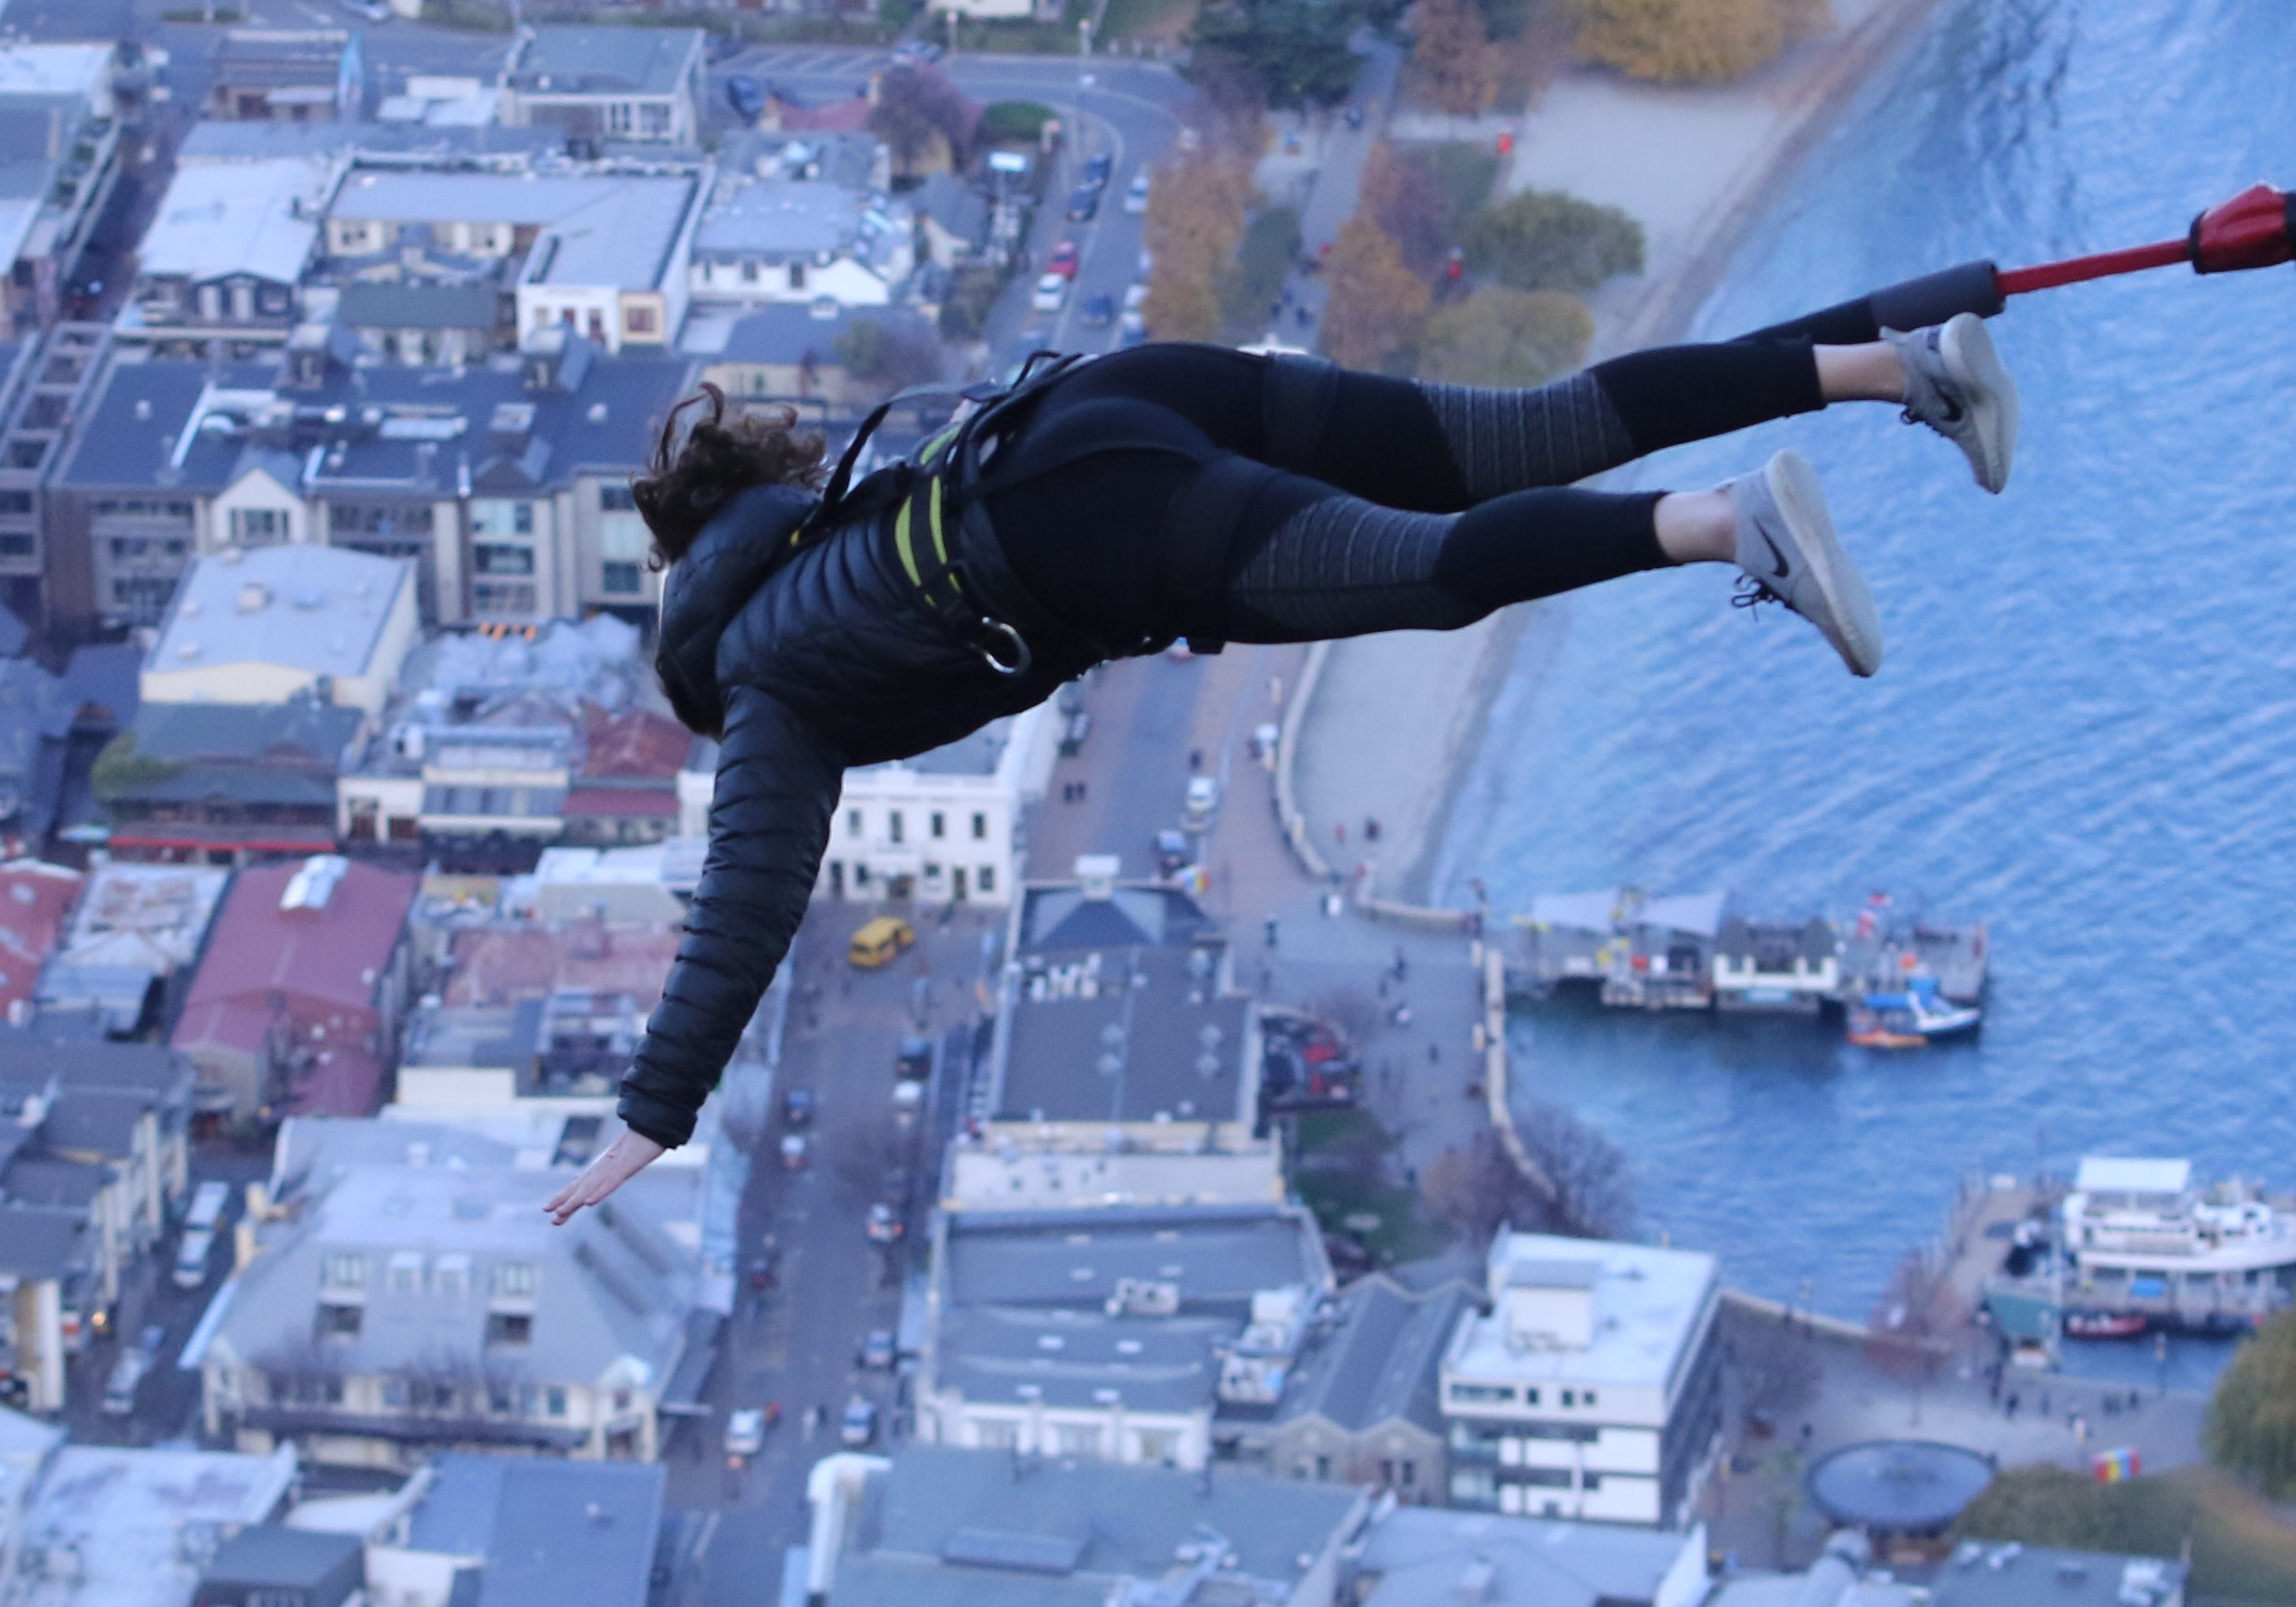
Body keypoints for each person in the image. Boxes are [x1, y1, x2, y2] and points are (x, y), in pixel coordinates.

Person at [542, 288, 2022, 1221]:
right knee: (1532, 432)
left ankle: (1719, 525)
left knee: (1434, 572)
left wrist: (652, 1117)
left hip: (1091, 531)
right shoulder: (821, 532)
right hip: (1113, 395)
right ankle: (1902, 368)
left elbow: (747, 896)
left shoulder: (759, 679)